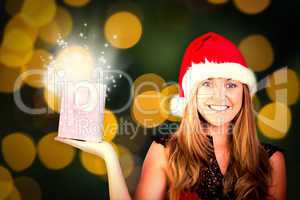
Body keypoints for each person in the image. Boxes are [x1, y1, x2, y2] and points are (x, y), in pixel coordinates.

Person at [55, 32, 286, 200]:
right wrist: (108, 155)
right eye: (207, 83)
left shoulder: (270, 161)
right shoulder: (167, 151)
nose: (220, 97)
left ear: (245, 93)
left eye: (231, 85)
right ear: (191, 94)